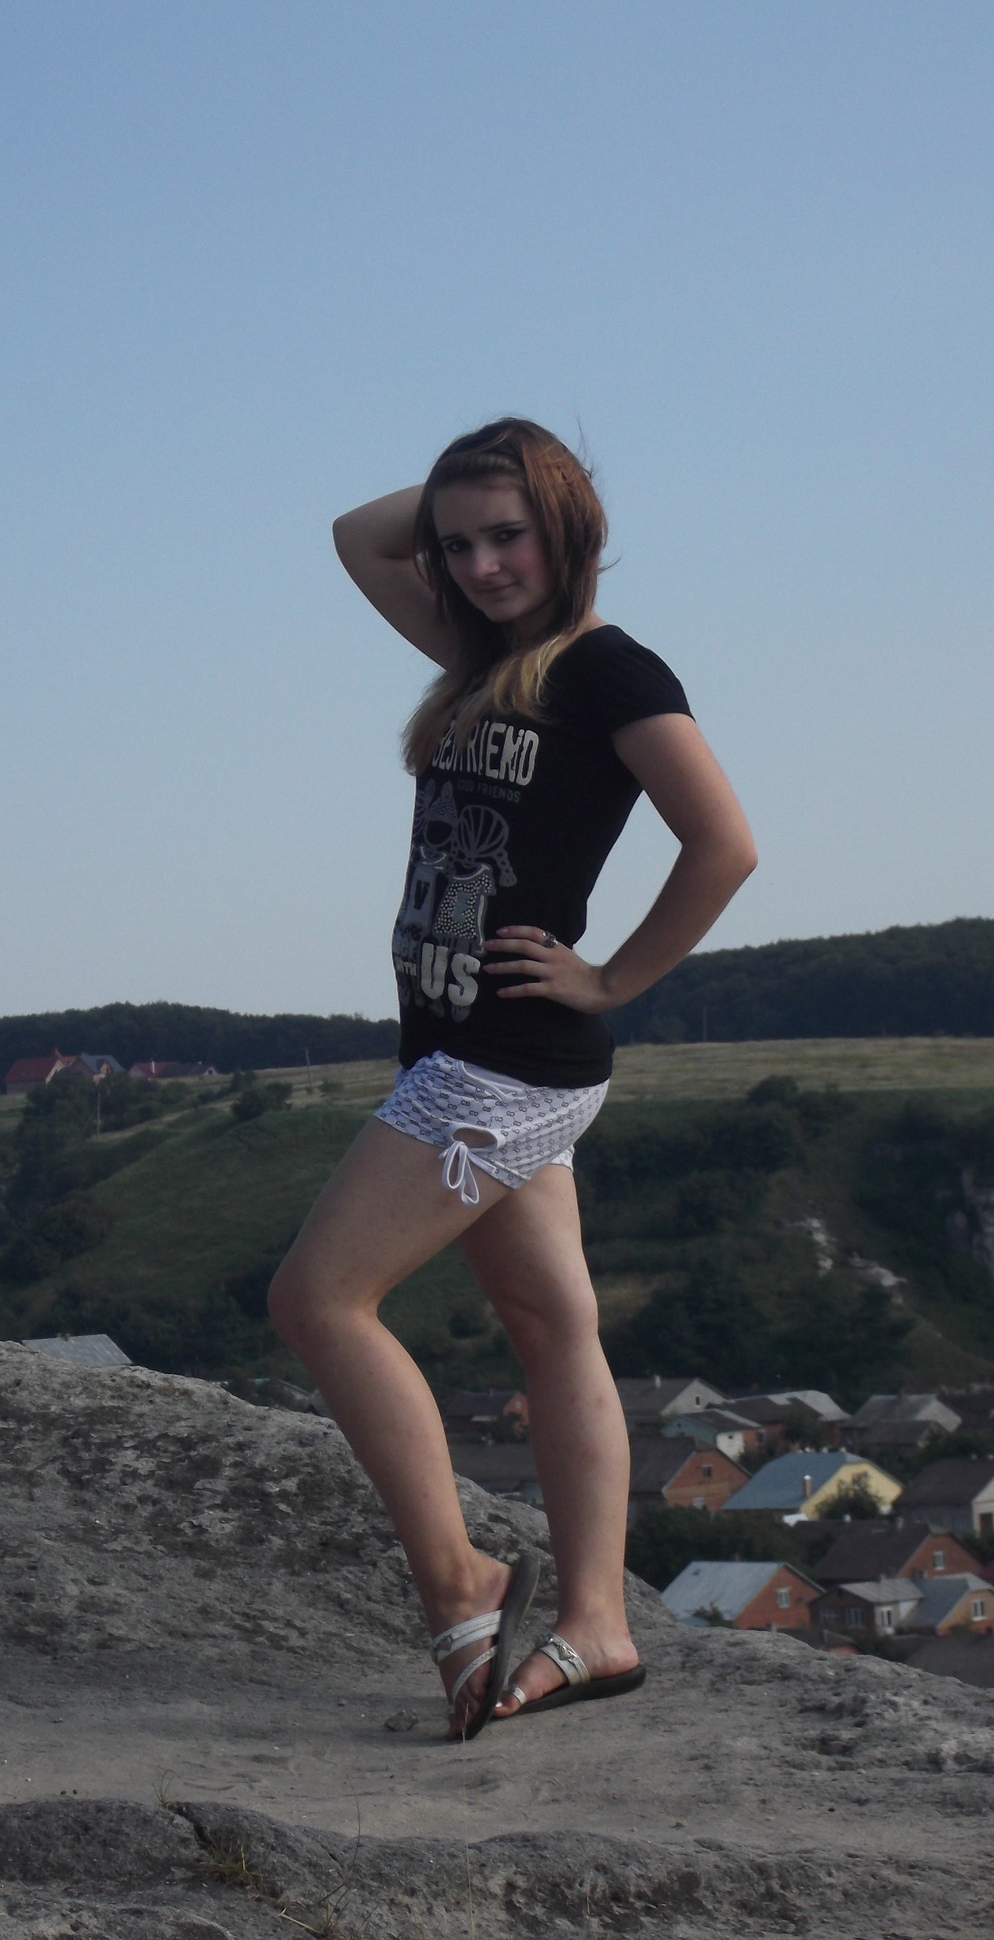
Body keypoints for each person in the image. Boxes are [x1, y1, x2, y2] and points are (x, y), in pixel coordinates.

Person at [269, 418, 757, 1738]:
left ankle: (460, 1581)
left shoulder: (607, 670)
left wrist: (614, 978)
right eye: (461, 544)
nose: (481, 566)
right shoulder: (486, 661)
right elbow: (356, 537)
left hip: (507, 1057)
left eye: (510, 535)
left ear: (567, 532)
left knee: (318, 1299)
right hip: (456, 1045)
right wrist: (476, 487)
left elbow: (724, 843)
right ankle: (598, 1628)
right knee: (552, 1329)